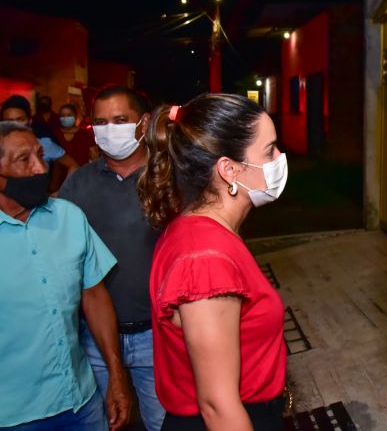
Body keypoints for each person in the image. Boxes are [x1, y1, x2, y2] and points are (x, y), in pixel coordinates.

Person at [138, 93, 288, 430]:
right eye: (269, 151)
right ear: (229, 169)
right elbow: (217, 406)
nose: (280, 158)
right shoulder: (204, 259)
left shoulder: (202, 229)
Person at [0, 121, 132, 430]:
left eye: (40, 155)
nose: (39, 169)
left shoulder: (68, 217)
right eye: (24, 160)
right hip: (12, 416)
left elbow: (94, 295)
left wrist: (116, 375)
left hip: (80, 402)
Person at [59, 85, 166, 430]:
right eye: (101, 122)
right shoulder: (77, 185)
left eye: (120, 120)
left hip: (159, 336)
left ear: (144, 122)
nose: (109, 130)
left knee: (163, 423)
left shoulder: (168, 179)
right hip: (94, 340)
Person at [2, 95, 79, 189]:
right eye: (8, 122)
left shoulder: (43, 143)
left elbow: (73, 165)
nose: (15, 126)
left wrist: (61, 192)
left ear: (29, 120)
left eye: (20, 120)